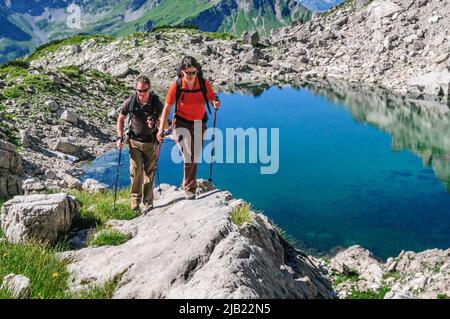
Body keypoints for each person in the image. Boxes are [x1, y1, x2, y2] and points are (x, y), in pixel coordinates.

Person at [157, 56, 221, 199]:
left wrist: (215, 103)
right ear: (182, 72)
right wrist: (161, 129)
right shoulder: (177, 85)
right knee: (189, 155)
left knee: (195, 156)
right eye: (188, 73)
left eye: (193, 72)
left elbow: (212, 98)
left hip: (199, 123)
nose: (191, 75)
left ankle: (188, 184)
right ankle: (189, 188)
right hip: (181, 123)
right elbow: (167, 108)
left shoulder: (203, 84)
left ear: (197, 71)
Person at [116, 75, 165, 211]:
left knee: (149, 172)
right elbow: (120, 118)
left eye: (144, 90)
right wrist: (119, 137)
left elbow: (165, 120)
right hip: (134, 141)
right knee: (136, 170)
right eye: (139, 90)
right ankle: (135, 200)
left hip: (151, 142)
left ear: (149, 89)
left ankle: (148, 202)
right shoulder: (131, 102)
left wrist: (156, 122)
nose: (141, 93)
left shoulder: (155, 102)